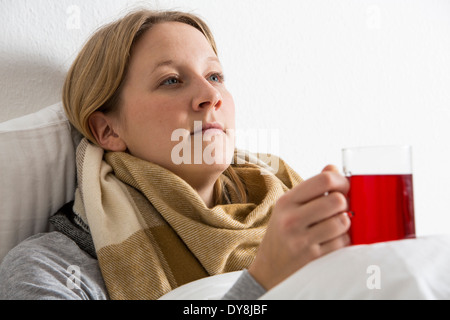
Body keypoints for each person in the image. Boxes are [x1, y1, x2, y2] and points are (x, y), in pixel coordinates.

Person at [0, 9, 350, 300]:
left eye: (215, 75)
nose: (210, 94)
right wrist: (261, 283)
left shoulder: (295, 215)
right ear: (108, 130)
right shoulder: (54, 269)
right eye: (171, 80)